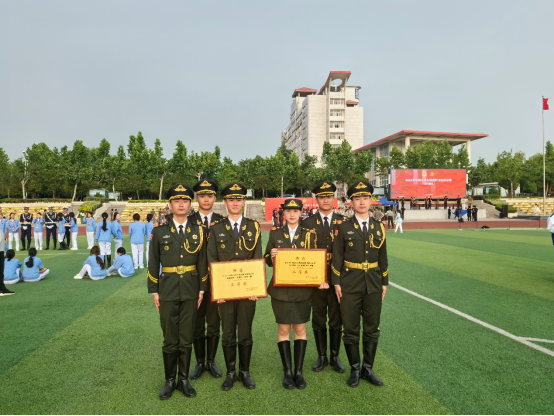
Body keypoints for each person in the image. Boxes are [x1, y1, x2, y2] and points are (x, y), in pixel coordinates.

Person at [148, 183, 208, 400]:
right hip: (168, 290)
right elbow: (153, 263)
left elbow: (202, 262)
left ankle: (184, 380)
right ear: (170, 204)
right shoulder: (159, 231)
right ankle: (169, 380)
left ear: (190, 204)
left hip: (191, 289)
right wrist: (154, 291)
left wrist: (202, 289)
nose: (181, 204)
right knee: (170, 338)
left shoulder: (199, 231)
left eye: (185, 200)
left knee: (186, 337)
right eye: (176, 200)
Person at [207, 182, 262, 391]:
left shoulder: (253, 226)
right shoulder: (216, 229)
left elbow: (257, 258)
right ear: (225, 202)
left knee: (245, 332)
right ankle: (231, 373)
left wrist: (256, 288)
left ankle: (245, 372)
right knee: (228, 332)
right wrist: (217, 291)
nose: (236, 203)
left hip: (248, 292)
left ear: (244, 202)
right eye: (232, 199)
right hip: (225, 294)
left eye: (239, 199)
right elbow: (211, 261)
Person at [332, 181, 388, 388]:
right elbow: (337, 258)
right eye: (357, 198)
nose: (362, 202)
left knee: (372, 328)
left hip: (373, 283)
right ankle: (355, 369)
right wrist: (336, 283)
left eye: (365, 198)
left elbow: (383, 257)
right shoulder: (344, 227)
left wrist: (384, 282)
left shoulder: (378, 226)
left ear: (370, 200)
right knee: (351, 329)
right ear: (351, 202)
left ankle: (368, 368)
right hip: (349, 284)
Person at [265, 198, 319, 389]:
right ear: (284, 213)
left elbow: (316, 261)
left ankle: (299, 371)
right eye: (288, 211)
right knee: (283, 330)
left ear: (300, 212)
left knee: (300, 330)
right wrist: (270, 255)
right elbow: (266, 259)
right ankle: (287, 372)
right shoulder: (275, 234)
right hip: (280, 291)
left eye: (295, 211)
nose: (292, 214)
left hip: (302, 291)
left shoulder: (310, 234)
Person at [300, 182, 346, 374]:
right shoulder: (307, 223)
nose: (326, 200)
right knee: (318, 319)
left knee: (336, 319)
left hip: (337, 279)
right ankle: (321, 356)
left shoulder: (344, 222)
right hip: (315, 280)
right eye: (322, 197)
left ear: (333, 198)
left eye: (329, 196)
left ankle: (335, 356)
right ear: (316, 199)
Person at [189, 179, 225, 380]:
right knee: (196, 323)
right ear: (197, 198)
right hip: (193, 281)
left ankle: (211, 361)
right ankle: (199, 362)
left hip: (217, 282)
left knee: (213, 323)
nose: (206, 199)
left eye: (209, 195)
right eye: (202, 195)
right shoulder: (188, 221)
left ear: (214, 198)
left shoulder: (222, 221)